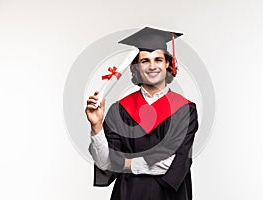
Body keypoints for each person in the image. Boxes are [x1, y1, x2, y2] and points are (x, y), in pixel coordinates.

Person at [85, 27, 199, 200]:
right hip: (128, 194)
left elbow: (174, 163)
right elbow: (105, 162)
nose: (152, 66)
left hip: (169, 195)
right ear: (136, 67)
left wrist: (126, 163)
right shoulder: (120, 110)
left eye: (158, 59)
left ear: (168, 63)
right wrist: (97, 126)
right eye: (145, 61)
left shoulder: (184, 109)